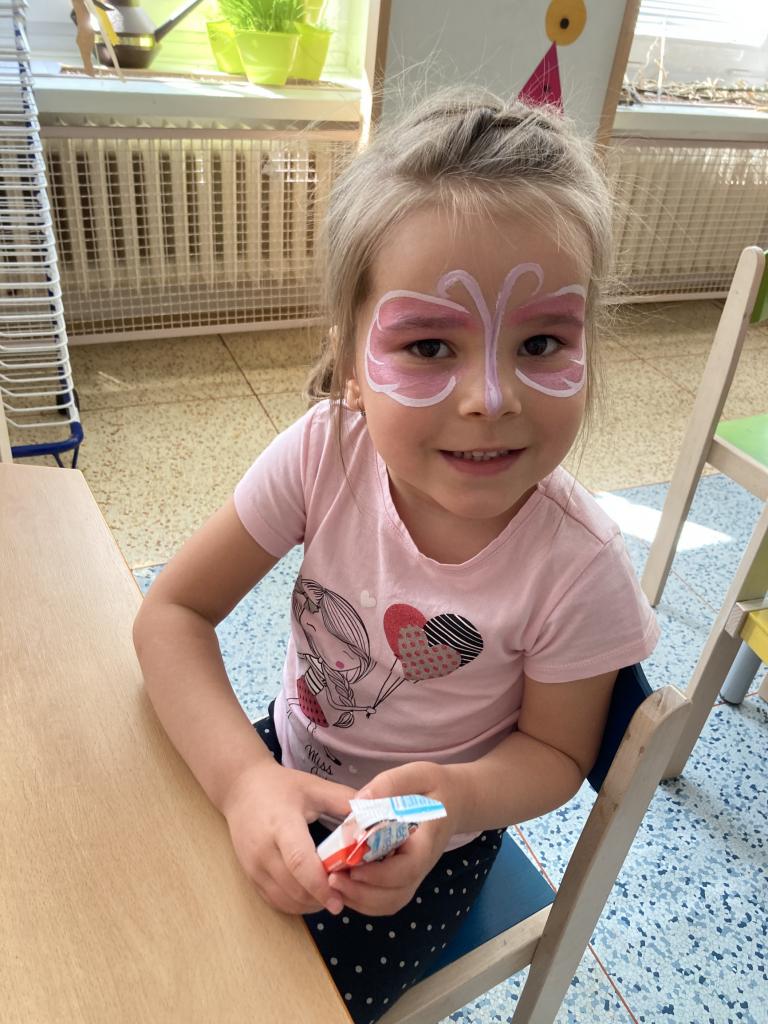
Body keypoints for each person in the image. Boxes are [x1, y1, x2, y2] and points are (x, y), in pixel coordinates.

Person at [133, 88, 659, 1023]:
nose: (491, 397)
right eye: (428, 345)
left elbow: (555, 752)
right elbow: (171, 617)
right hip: (281, 765)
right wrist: (246, 781)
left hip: (430, 849)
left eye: (541, 340)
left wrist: (450, 802)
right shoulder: (322, 455)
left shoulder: (578, 568)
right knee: (147, 933)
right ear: (349, 363)